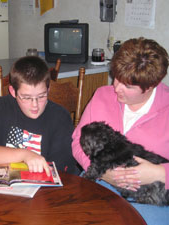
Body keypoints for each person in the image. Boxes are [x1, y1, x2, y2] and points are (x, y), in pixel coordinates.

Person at [72, 37, 169, 224]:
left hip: (154, 196)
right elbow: (77, 141)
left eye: (128, 86)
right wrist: (101, 171)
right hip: (101, 183)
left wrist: (160, 173)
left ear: (150, 86)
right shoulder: (102, 95)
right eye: (116, 77)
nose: (116, 87)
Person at [0, 56, 80, 176]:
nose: (35, 105)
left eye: (41, 96)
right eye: (26, 98)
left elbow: (60, 172)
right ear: (13, 92)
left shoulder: (60, 117)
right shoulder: (1, 107)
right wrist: (25, 155)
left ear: (48, 90)